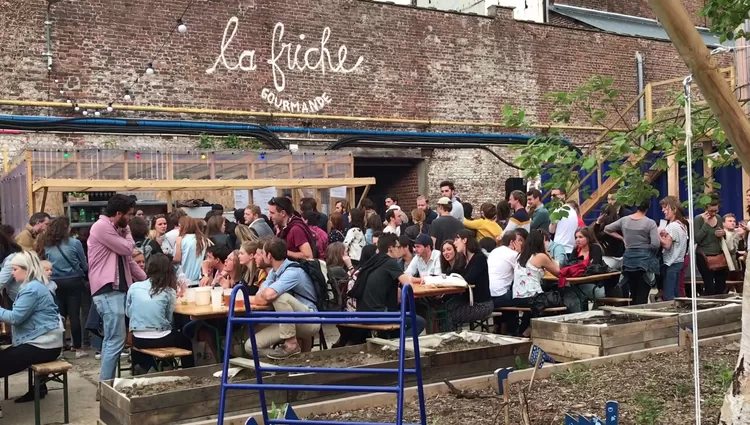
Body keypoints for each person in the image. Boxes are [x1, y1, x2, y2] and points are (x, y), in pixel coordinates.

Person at [87, 194, 146, 392]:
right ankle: (105, 389)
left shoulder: (114, 229)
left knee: (112, 340)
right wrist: (128, 231)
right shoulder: (102, 227)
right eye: (128, 215)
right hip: (107, 290)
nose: (130, 219)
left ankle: (105, 385)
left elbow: (128, 262)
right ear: (118, 213)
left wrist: (148, 280)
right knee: (115, 340)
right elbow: (128, 249)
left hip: (115, 291)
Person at [0, 251, 64, 403]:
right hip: (45, 344)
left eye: (15, 269)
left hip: (43, 346)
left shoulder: (32, 289)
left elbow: (15, 318)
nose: (12, 273)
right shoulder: (33, 285)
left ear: (26, 269)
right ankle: (39, 389)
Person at [245, 238, 321, 359]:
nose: (258, 256)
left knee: (280, 296)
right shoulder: (273, 272)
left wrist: (266, 295)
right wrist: (264, 295)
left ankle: (291, 344)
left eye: (262, 253)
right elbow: (260, 296)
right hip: (290, 321)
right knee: (250, 346)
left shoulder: (293, 272)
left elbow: (269, 295)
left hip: (309, 320)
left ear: (269, 255)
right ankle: (289, 360)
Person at [348, 233, 426, 341]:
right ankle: (398, 346)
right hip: (378, 315)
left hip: (363, 313)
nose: (400, 249)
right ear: (390, 249)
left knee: (403, 317)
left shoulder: (375, 261)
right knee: (419, 322)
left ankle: (394, 341)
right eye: (398, 247)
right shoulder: (390, 263)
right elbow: (409, 285)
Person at [126, 253, 194, 374]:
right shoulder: (169, 292)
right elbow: (169, 319)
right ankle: (189, 372)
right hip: (160, 337)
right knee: (185, 340)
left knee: (170, 335)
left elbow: (128, 312)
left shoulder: (134, 287)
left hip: (137, 338)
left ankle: (151, 367)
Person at [37, 216, 88, 358]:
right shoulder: (75, 243)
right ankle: (77, 348)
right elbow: (83, 264)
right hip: (74, 281)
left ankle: (59, 348)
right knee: (74, 315)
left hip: (55, 283)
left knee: (59, 316)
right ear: (66, 229)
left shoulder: (47, 245)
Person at [604, 200, 660, 304]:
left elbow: (607, 229)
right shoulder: (650, 223)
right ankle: (642, 317)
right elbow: (655, 244)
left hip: (629, 260)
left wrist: (622, 238)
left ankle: (634, 316)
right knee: (642, 294)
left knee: (633, 292)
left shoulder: (624, 220)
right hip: (644, 261)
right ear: (648, 208)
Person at [513, 230, 560, 335]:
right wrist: (548, 255)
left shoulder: (520, 256)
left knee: (532, 310)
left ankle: (523, 333)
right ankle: (528, 332)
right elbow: (558, 271)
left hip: (518, 297)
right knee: (558, 302)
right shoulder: (540, 256)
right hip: (533, 296)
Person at [448, 229, 493, 328]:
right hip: (468, 301)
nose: (454, 242)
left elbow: (466, 280)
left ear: (464, 240)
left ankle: (452, 338)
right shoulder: (462, 259)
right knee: (441, 309)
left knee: (448, 315)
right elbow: (452, 274)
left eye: (456, 239)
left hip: (481, 304)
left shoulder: (479, 258)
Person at [693, 195, 728, 295]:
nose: (713, 213)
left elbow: (722, 235)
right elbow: (697, 239)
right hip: (704, 256)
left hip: (718, 255)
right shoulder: (699, 219)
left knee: (721, 285)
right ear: (706, 208)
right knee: (709, 286)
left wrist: (723, 233)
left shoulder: (719, 218)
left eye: (716, 211)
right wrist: (706, 224)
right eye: (711, 211)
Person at [658, 196, 688, 301]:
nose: (663, 210)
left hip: (671, 262)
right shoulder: (682, 224)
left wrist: (657, 235)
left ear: (674, 209)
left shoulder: (672, 226)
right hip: (679, 261)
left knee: (669, 294)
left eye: (666, 208)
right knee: (677, 292)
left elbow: (667, 245)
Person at [173, 217, 210, 287]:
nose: (178, 229)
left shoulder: (181, 240)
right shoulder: (204, 240)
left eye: (180, 226)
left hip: (184, 280)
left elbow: (177, 259)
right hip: (200, 280)